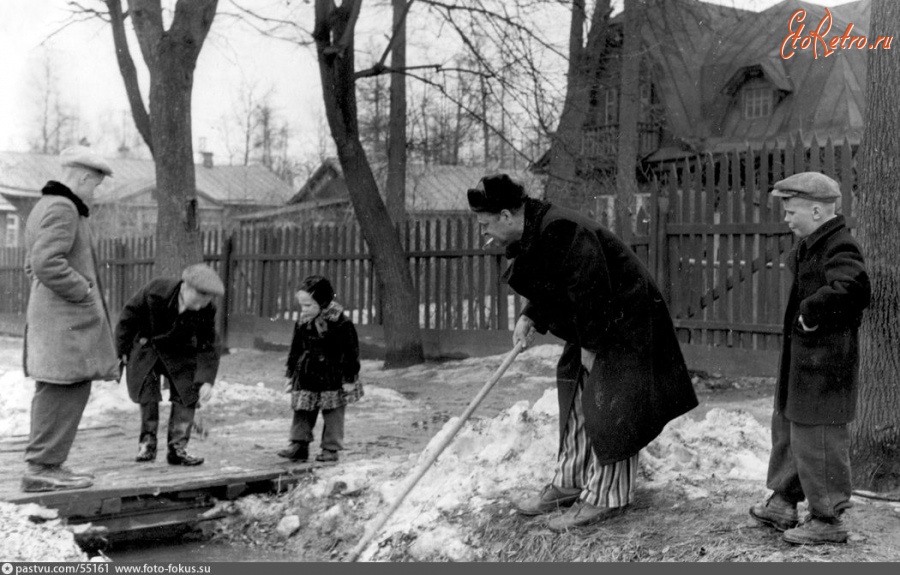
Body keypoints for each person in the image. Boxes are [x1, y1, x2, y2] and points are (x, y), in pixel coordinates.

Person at [466, 174, 698, 531]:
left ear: (507, 216)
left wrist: (591, 347)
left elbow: (590, 289)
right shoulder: (539, 229)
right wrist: (530, 316)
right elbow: (557, 284)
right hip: (596, 319)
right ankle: (570, 481)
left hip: (626, 323)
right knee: (573, 384)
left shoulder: (561, 229)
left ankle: (607, 496)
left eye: (486, 224)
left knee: (612, 400)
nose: (485, 234)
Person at [749, 172, 870, 545]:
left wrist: (811, 311)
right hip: (804, 364)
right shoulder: (811, 243)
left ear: (817, 211)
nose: (786, 219)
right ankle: (783, 502)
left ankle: (828, 518)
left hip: (825, 368)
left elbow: (853, 287)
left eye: (790, 211)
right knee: (789, 430)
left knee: (819, 439)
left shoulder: (839, 244)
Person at [20, 146, 120, 493]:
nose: (95, 191)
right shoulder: (63, 208)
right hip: (66, 323)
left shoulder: (44, 206)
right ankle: (43, 468)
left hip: (56, 320)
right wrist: (83, 290)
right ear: (83, 177)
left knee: (58, 389)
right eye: (95, 184)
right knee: (65, 389)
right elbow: (46, 263)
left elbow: (32, 264)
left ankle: (46, 464)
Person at [115, 263, 224, 466]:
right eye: (198, 301)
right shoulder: (156, 290)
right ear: (185, 287)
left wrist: (206, 380)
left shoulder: (207, 308)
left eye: (205, 302)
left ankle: (178, 448)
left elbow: (209, 344)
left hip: (180, 351)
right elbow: (128, 317)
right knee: (147, 391)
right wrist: (121, 351)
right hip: (148, 345)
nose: (201, 306)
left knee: (188, 391)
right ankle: (147, 443)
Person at [278, 275, 362, 464]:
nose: (304, 310)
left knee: (333, 412)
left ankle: (330, 448)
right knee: (302, 409)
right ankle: (299, 445)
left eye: (308, 305)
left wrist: (350, 377)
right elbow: (295, 349)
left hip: (332, 374)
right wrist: (290, 374)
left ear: (323, 302)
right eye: (301, 305)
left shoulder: (340, 322)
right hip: (306, 373)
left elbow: (351, 352)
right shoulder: (302, 322)